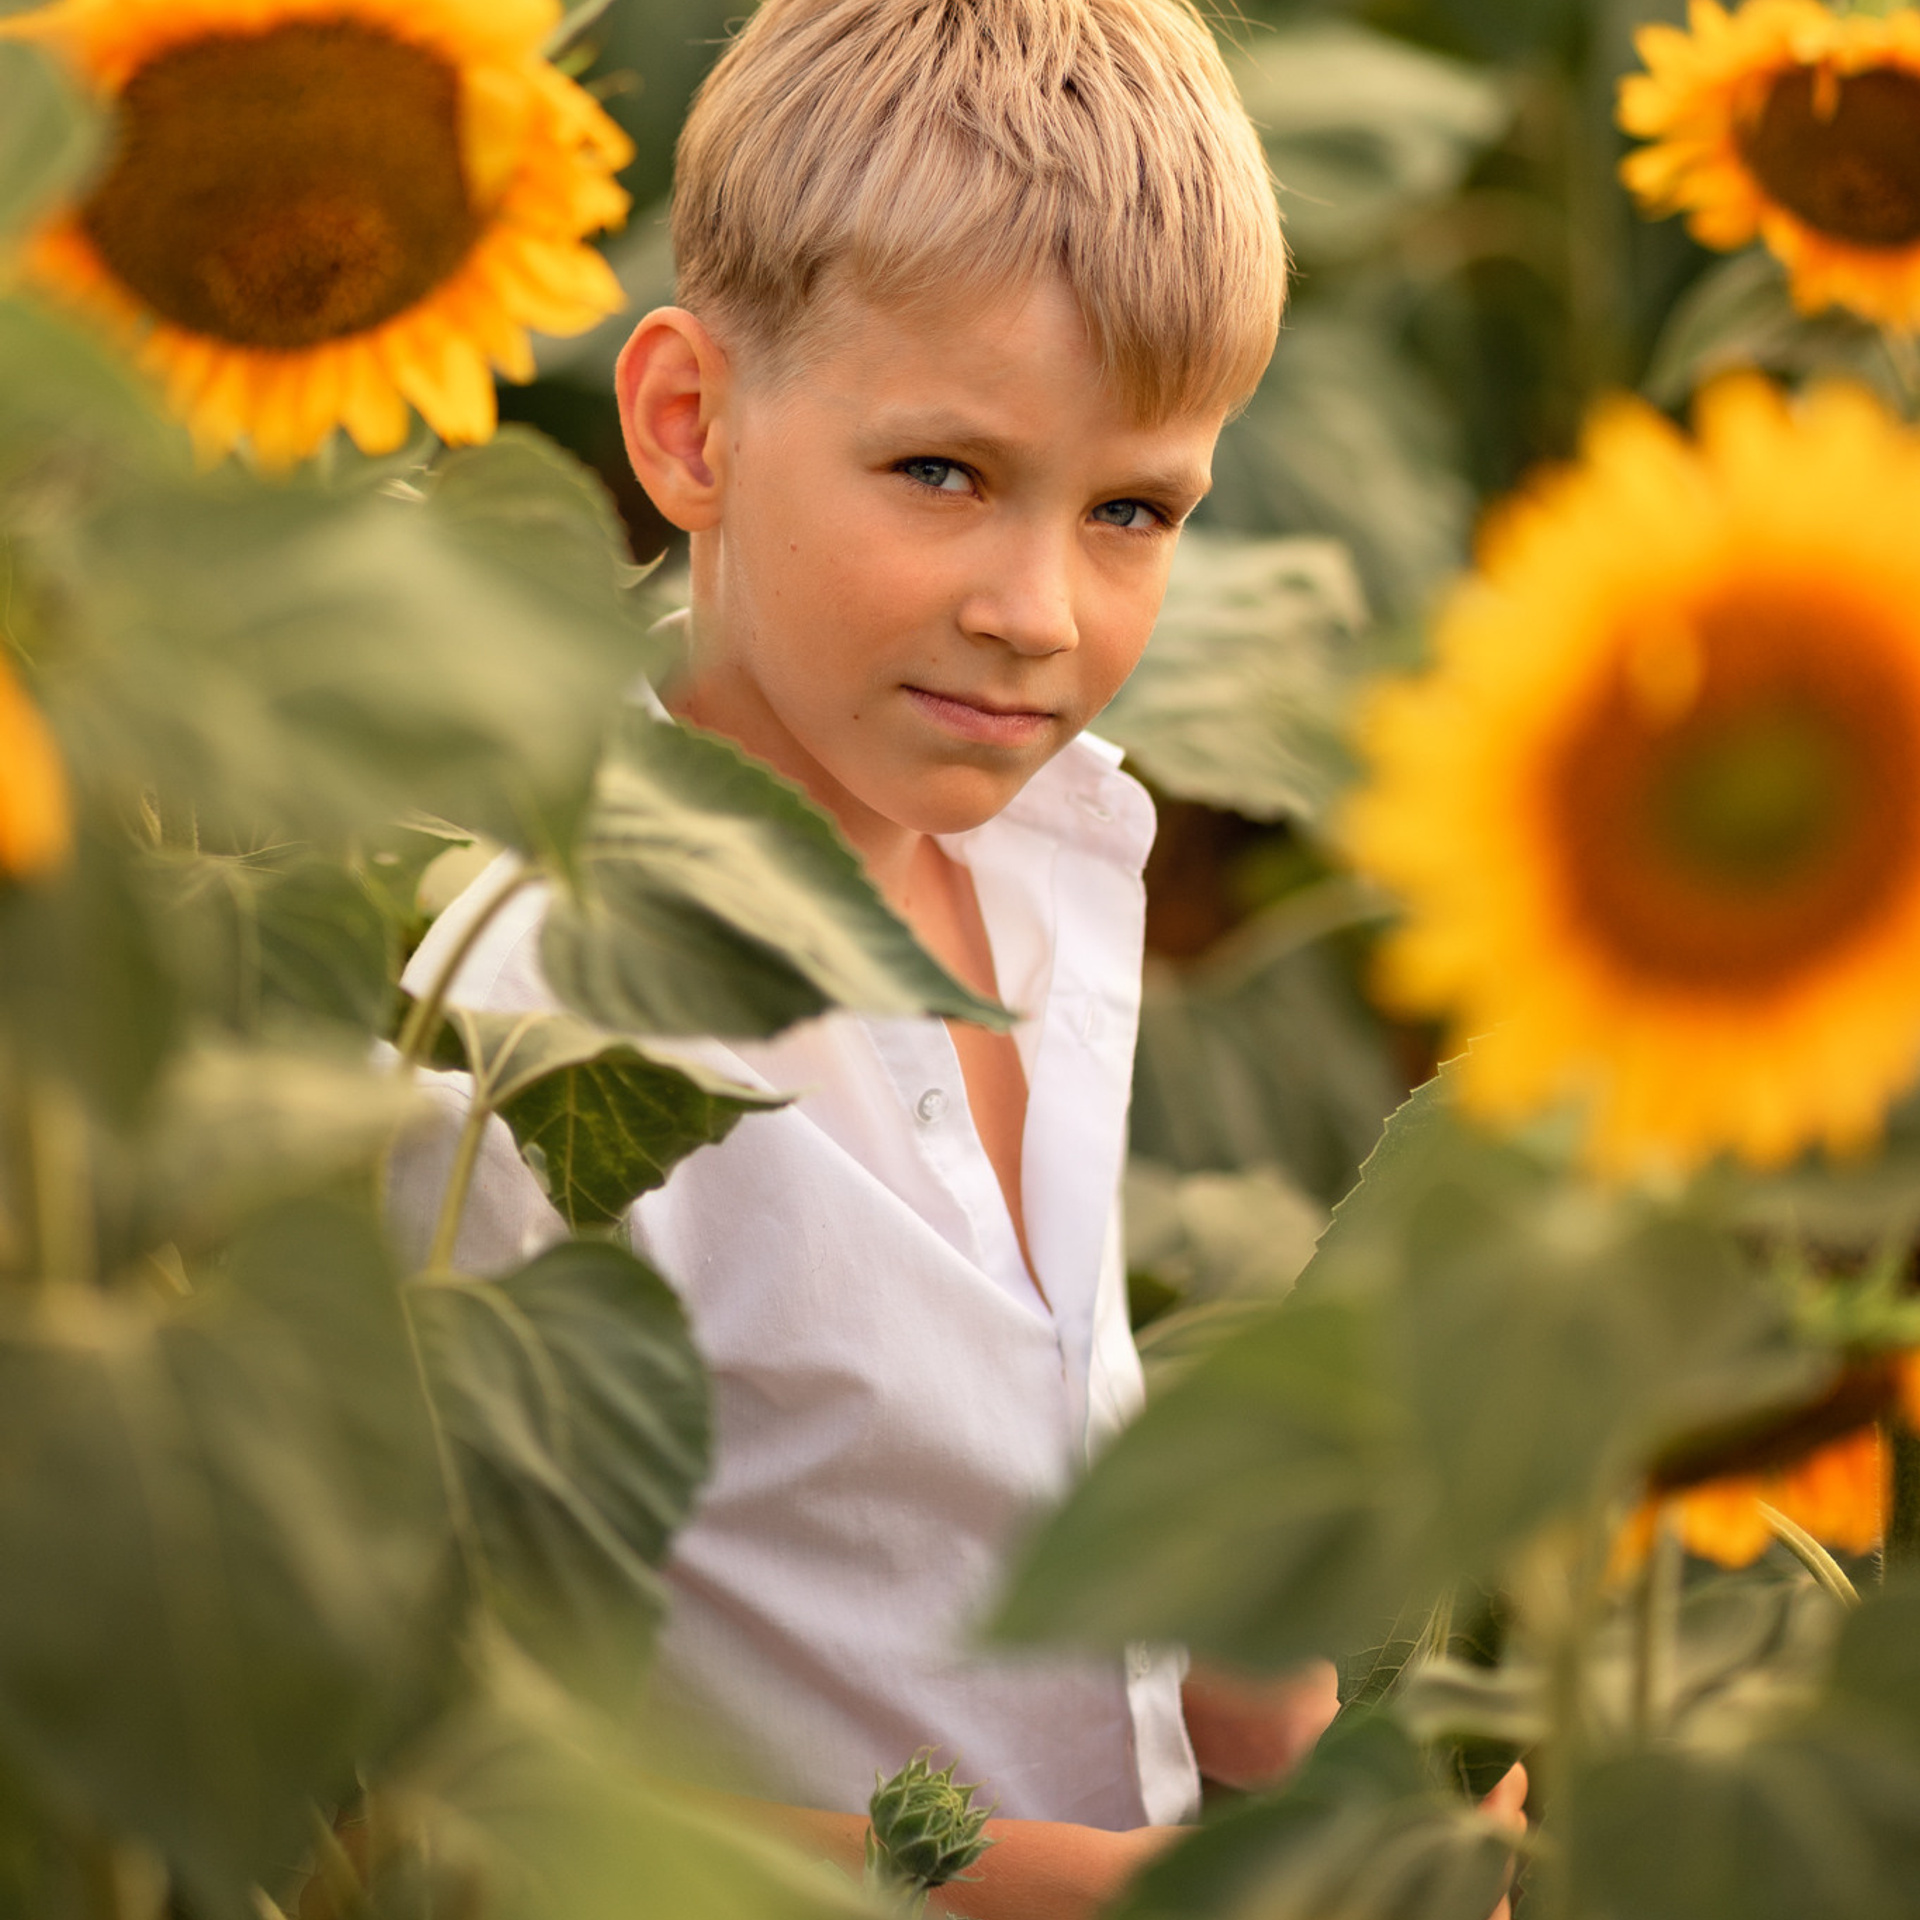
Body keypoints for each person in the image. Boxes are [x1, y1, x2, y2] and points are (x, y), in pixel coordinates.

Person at [397, 2, 1526, 1913]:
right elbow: (464, 1805)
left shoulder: (1041, 863)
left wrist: (1298, 1739)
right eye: (942, 471)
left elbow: (991, 1450)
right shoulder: (530, 1026)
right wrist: (1069, 1890)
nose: (1038, 612)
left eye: (1131, 510)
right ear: (690, 426)